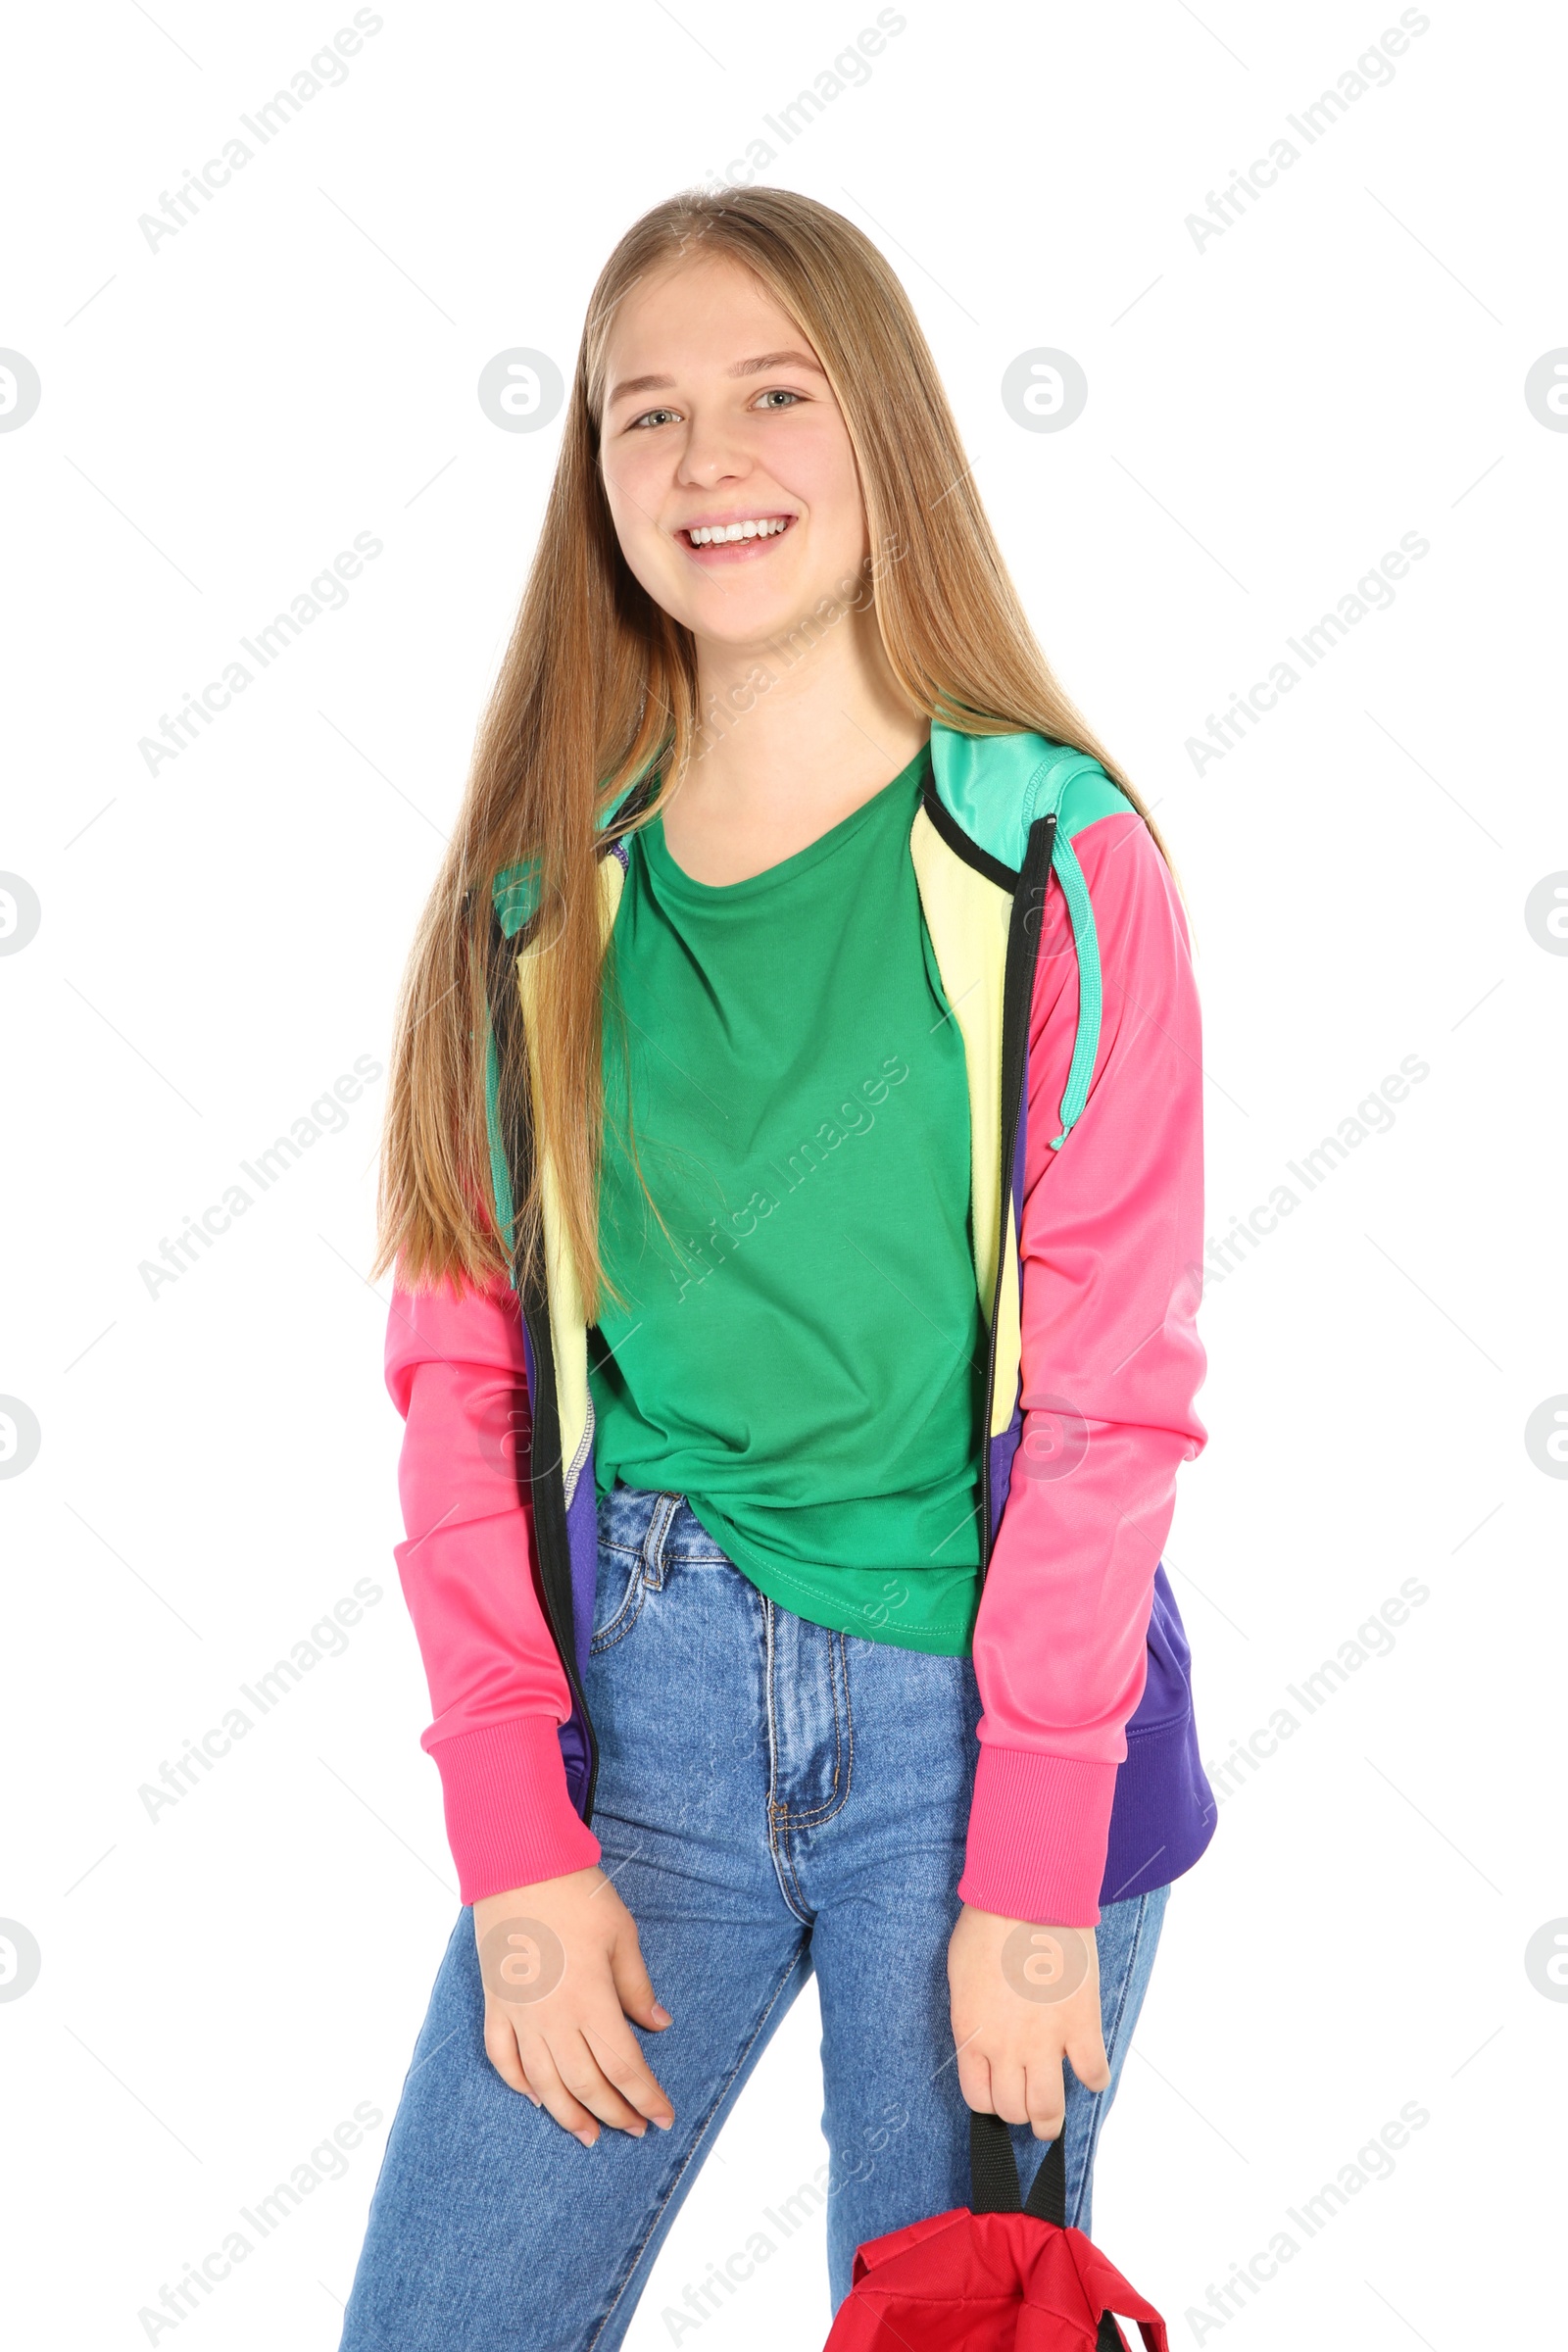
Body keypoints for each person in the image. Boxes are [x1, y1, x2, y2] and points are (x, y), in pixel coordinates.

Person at [339, 184, 1214, 2352]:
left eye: (769, 397)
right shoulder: (541, 894)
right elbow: (459, 1386)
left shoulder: (1051, 861)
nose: (705, 460)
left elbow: (1110, 1406)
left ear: (882, 434)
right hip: (631, 1724)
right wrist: (511, 1842)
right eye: (645, 417)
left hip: (976, 1734)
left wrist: (1027, 1872)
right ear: (597, 482)